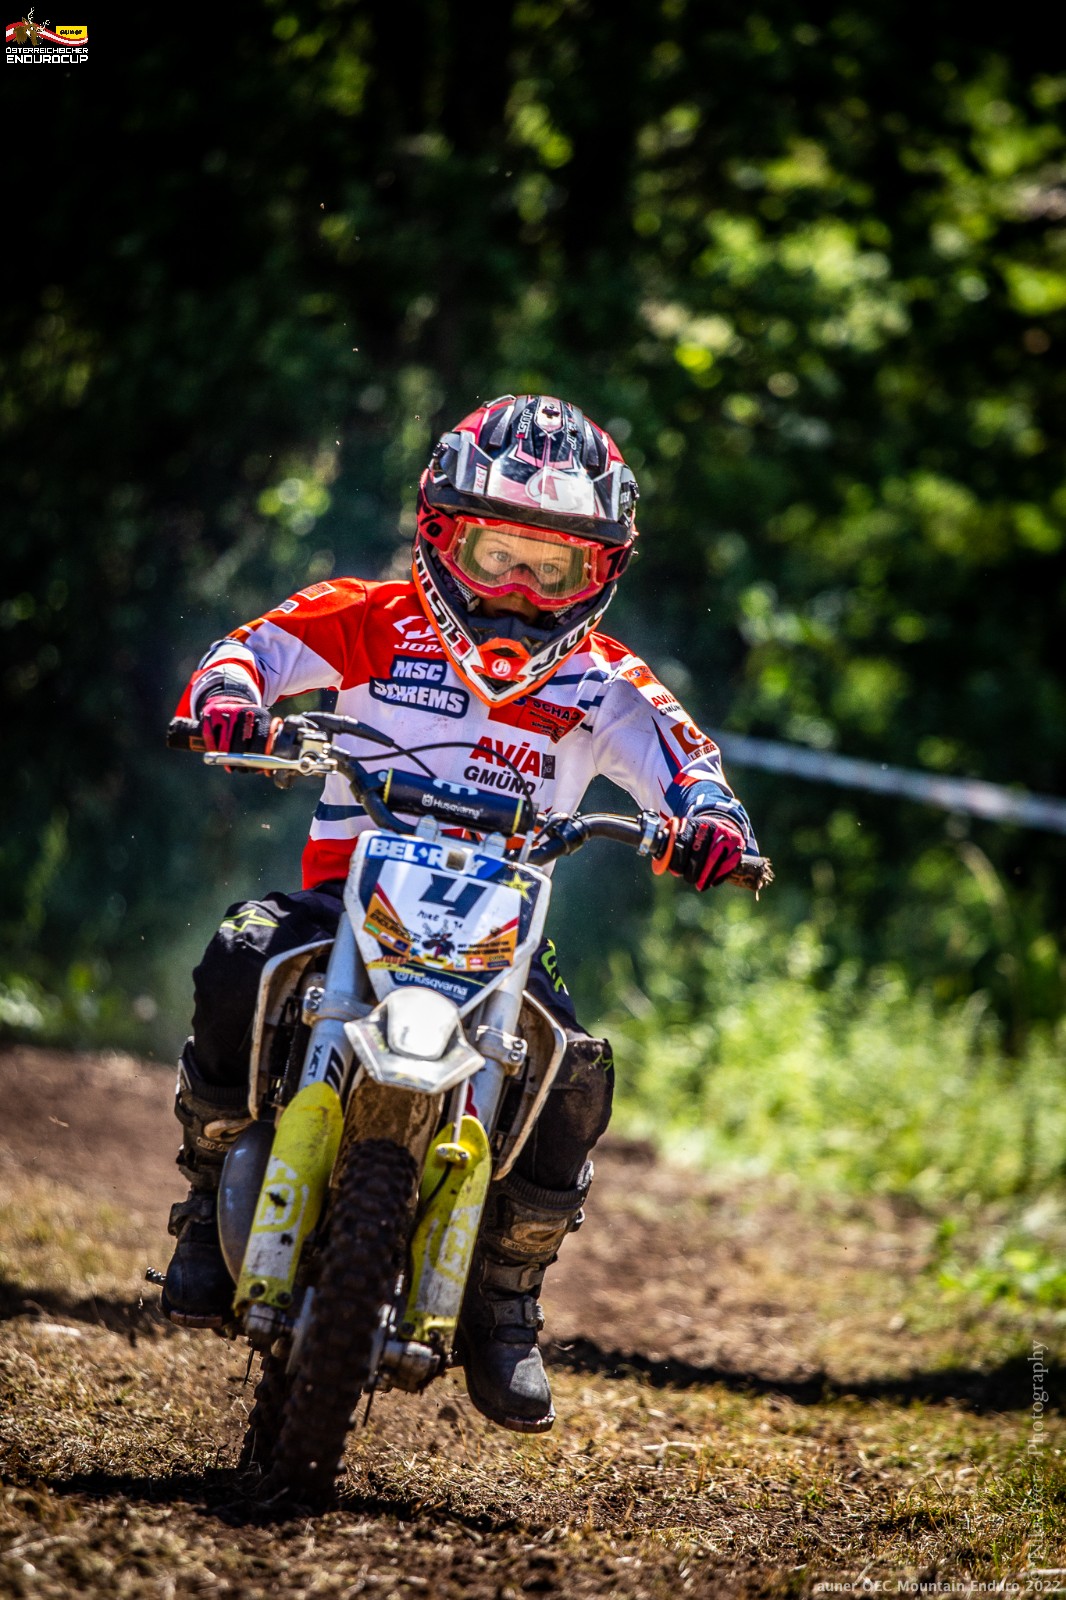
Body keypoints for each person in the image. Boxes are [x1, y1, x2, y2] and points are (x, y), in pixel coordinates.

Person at [162, 393, 758, 1434]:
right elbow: (251, 650)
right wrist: (229, 698)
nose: (520, 591)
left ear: (600, 574)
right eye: (498, 555)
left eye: (553, 568)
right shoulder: (370, 615)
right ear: (442, 537)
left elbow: (689, 764)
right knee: (239, 954)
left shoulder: (605, 682)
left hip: (501, 942)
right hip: (343, 902)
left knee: (576, 1073)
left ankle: (505, 1295)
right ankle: (208, 1190)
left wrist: (709, 820)